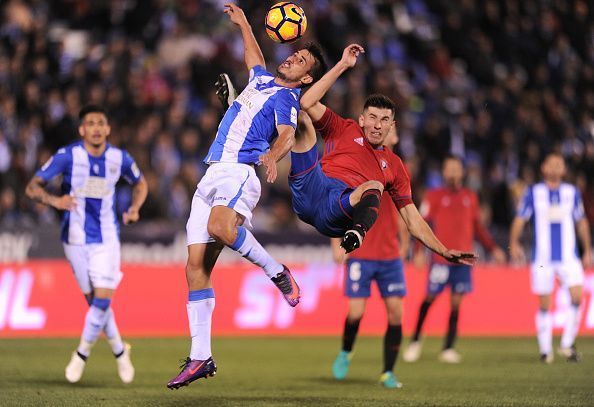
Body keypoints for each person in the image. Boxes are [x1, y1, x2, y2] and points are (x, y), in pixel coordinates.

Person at [166, 3, 327, 389]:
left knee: (221, 228)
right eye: (294, 53)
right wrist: (243, 24)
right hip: (211, 174)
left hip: (239, 172)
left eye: (301, 59)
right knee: (194, 267)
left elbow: (286, 135)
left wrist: (272, 155)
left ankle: (278, 272)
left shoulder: (287, 101)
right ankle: (201, 356)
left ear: (305, 79)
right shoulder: (261, 82)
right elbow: (254, 57)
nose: (292, 58)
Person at [293, 44, 476, 266]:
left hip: (336, 209)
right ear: (362, 120)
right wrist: (343, 65)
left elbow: (412, 219)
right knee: (301, 117)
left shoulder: (395, 166)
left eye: (384, 120)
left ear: (392, 125)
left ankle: (356, 234)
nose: (377, 125)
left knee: (374, 187)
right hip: (310, 191)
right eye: (372, 118)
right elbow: (306, 101)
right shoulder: (344, 129)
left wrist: (442, 250)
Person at [25, 104, 148, 384]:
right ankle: (120, 350)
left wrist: (135, 208)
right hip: (75, 239)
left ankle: (80, 355)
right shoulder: (68, 156)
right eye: (89, 123)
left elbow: (141, 184)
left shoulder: (120, 158)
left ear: (107, 129)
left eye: (100, 123)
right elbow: (32, 187)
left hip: (107, 238)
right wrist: (56, 201)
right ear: (82, 130)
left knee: (102, 300)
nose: (95, 128)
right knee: (95, 304)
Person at [402, 155, 506, 364]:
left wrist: (493, 248)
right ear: (444, 172)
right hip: (441, 260)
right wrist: (419, 252)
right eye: (449, 169)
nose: (452, 173)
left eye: (456, 169)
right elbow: (421, 224)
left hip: (463, 260)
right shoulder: (433, 196)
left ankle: (448, 347)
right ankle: (414, 342)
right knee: (429, 299)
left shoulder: (471, 197)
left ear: (462, 172)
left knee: (456, 303)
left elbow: (478, 227)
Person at [330, 126, 410, 389]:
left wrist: (405, 243)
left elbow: (404, 210)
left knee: (396, 314)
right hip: (361, 253)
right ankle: (346, 351)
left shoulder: (398, 170)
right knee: (356, 312)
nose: (385, 129)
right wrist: (336, 243)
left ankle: (387, 372)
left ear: (395, 136)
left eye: (391, 126)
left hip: (389, 256)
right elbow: (341, 205)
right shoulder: (360, 165)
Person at [509, 153, 592, 363]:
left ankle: (566, 344)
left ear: (564, 170)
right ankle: (545, 350)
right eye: (551, 164)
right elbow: (520, 218)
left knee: (576, 296)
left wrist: (588, 249)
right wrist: (514, 242)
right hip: (543, 257)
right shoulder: (533, 192)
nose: (555, 167)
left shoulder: (571, 192)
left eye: (559, 164)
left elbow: (581, 221)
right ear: (544, 168)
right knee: (545, 303)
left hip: (568, 255)